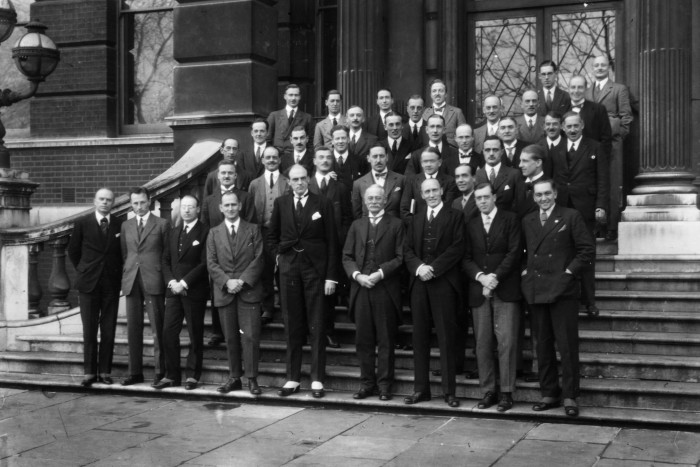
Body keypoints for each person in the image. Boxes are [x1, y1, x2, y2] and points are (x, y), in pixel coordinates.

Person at [521, 179, 595, 417]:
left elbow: (586, 250)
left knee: (567, 345)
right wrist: (525, 273)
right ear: (534, 197)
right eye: (538, 195)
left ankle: (570, 395)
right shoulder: (528, 220)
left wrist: (569, 273)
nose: (543, 198)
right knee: (542, 345)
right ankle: (549, 393)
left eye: (547, 194)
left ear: (555, 194)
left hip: (563, 290)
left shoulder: (570, 216)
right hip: (537, 289)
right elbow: (521, 251)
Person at [268, 164, 340, 398]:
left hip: (315, 270)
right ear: (288, 182)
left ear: (308, 179)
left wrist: (331, 276)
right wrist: (279, 256)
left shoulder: (323, 203)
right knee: (292, 324)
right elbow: (271, 237)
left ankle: (317, 379)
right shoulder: (281, 203)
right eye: (294, 179)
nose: (299, 183)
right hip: (289, 270)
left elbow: (332, 241)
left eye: (302, 178)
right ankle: (292, 378)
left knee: (317, 323)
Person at [403, 178, 465, 408]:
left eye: (434, 190)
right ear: (421, 194)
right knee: (419, 336)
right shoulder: (415, 219)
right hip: (419, 283)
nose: (431, 194)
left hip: (444, 282)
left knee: (446, 336)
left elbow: (458, 247)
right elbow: (407, 249)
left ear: (441, 191)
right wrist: (420, 268)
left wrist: (434, 269)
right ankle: (422, 389)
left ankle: (449, 391)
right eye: (426, 191)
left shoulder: (455, 216)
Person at [463, 182, 522, 412]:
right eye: (478, 198)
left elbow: (514, 252)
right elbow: (466, 258)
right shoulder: (471, 223)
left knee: (506, 341)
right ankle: (488, 390)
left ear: (494, 197)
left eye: (486, 197)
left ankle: (506, 392)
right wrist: (481, 278)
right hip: (479, 290)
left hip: (505, 289)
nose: (483, 202)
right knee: (483, 343)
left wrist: (494, 278)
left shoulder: (510, 219)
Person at [343, 185, 404, 401]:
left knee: (386, 339)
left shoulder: (396, 224)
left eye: (378, 197)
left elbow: (400, 257)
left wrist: (379, 274)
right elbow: (347, 256)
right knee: (364, 340)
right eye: (370, 198)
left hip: (384, 289)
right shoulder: (356, 225)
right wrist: (358, 276)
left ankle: (385, 386)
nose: (374, 201)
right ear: (364, 200)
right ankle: (366, 383)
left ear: (386, 199)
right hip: (361, 288)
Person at [551, 112, 610, 317]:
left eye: (576, 126)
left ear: (582, 125)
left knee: (586, 256)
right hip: (562, 209)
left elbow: (603, 179)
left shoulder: (594, 147)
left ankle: (589, 301)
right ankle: (566, 298)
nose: (573, 130)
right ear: (563, 128)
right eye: (569, 127)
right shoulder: (556, 149)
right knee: (563, 254)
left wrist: (601, 205)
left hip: (586, 210)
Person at [207, 191, 265, 394]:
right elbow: (211, 263)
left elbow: (259, 258)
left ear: (240, 206)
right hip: (225, 292)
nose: (230, 208)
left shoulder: (253, 230)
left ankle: (252, 379)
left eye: (234, 205)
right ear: (220, 208)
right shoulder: (214, 233)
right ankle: (234, 377)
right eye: (227, 205)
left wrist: (242, 280)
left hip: (248, 291)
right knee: (230, 337)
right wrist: (226, 282)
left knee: (250, 336)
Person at [67, 188, 123, 387]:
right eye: (101, 199)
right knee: (89, 329)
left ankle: (105, 371)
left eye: (109, 200)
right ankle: (89, 372)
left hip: (111, 283)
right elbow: (73, 251)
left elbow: (122, 253)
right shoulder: (82, 223)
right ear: (94, 201)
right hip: (89, 283)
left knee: (108, 329)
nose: (105, 202)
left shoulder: (119, 223)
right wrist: (84, 270)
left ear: (113, 202)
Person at [156, 195, 210, 390]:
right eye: (184, 207)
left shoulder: (205, 231)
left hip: (193, 290)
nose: (186, 210)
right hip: (173, 290)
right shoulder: (173, 231)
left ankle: (192, 375)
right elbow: (165, 260)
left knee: (195, 332)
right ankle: (172, 375)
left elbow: (204, 263)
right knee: (168, 332)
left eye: (191, 207)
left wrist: (184, 283)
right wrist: (171, 282)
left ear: (197, 209)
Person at [202, 160, 256, 346]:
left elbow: (249, 223)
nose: (226, 176)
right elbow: (205, 225)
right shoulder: (210, 200)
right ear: (218, 176)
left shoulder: (246, 197)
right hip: (219, 254)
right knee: (218, 291)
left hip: (242, 254)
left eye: (230, 173)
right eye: (223, 173)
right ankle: (218, 332)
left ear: (236, 175)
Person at [120, 186, 170, 386]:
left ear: (149, 202)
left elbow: (166, 254)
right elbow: (125, 253)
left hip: (153, 279)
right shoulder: (126, 225)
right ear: (131, 205)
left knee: (158, 328)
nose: (139, 207)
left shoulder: (162, 224)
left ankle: (160, 371)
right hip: (132, 280)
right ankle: (135, 372)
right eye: (135, 203)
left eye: (142, 202)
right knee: (133, 328)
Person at [585, 55, 634, 241]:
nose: (599, 68)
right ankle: (598, 226)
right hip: (591, 145)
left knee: (612, 184)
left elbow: (626, 117)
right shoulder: (587, 91)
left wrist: (618, 133)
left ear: (609, 67)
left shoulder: (618, 89)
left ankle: (612, 226)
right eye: (596, 65)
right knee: (594, 184)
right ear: (592, 68)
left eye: (603, 65)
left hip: (612, 145)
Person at [309, 147, 353, 348]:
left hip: (333, 249)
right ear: (314, 161)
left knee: (329, 293)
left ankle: (328, 331)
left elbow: (346, 217)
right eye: (321, 157)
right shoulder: (306, 185)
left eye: (328, 157)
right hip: (310, 249)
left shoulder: (341, 188)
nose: (325, 161)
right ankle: (311, 332)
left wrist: (339, 240)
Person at [247, 146, 292, 324]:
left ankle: (285, 305)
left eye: (275, 157)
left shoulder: (287, 182)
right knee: (265, 269)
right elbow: (251, 211)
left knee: (283, 268)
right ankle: (267, 307)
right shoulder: (254, 184)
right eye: (268, 157)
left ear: (280, 160)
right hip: (262, 232)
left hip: (283, 233)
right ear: (263, 160)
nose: (271, 160)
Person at [400, 147, 459, 221]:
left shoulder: (450, 181)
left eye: (432, 161)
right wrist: (415, 225)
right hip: (416, 227)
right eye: (425, 161)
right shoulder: (412, 181)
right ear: (421, 163)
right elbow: (404, 209)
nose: (428, 164)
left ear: (439, 162)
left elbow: (448, 207)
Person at [352, 144, 405, 219]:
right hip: (368, 228)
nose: (378, 160)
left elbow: (404, 209)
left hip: (394, 228)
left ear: (387, 157)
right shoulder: (358, 183)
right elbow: (357, 213)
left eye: (381, 156)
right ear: (368, 158)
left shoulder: (401, 180)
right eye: (374, 156)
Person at [474, 136, 524, 213]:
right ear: (483, 152)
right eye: (487, 150)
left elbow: (520, 204)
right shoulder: (477, 175)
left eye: (495, 150)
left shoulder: (514, 174)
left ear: (502, 151)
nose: (491, 154)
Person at [267, 83, 314, 156]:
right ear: (285, 96)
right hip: (279, 157)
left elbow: (310, 142)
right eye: (290, 95)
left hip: (298, 157)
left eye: (296, 95)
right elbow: (268, 139)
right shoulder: (274, 116)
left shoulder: (307, 117)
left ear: (300, 97)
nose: (293, 98)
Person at [422, 79, 467, 147]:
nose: (437, 93)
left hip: (451, 152)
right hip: (429, 152)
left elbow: (464, 135)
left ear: (446, 94)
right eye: (434, 91)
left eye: (441, 91)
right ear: (431, 95)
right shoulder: (424, 113)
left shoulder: (457, 112)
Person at [330, 124, 368, 191]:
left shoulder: (360, 161)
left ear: (348, 139)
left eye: (343, 138)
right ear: (332, 141)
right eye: (337, 138)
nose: (340, 141)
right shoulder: (325, 161)